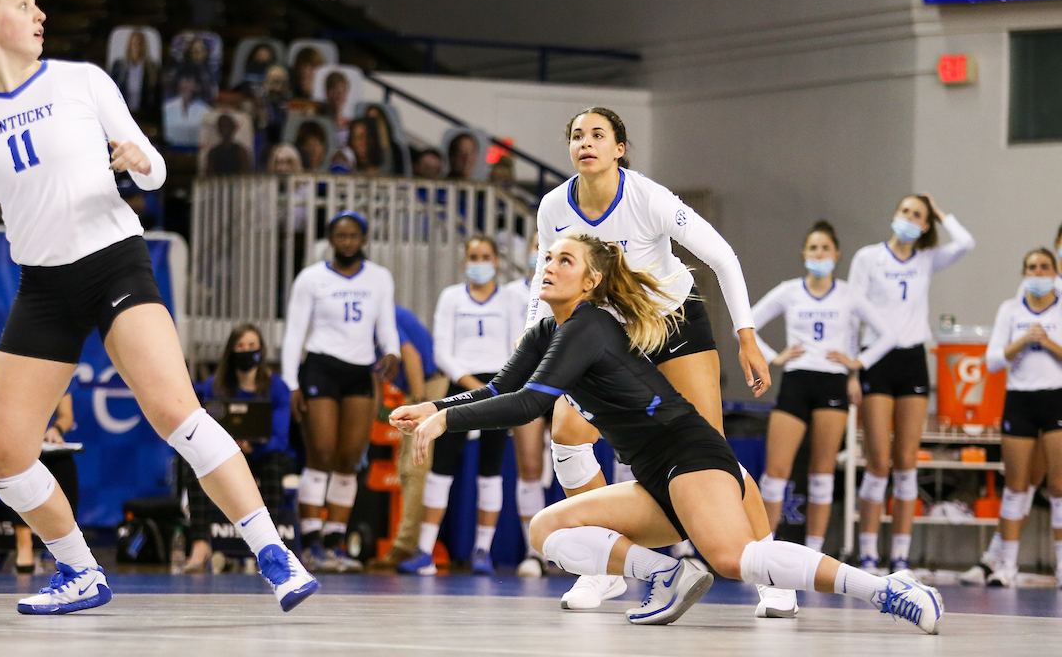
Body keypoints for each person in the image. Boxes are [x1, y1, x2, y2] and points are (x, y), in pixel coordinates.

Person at [0, 0, 318, 615]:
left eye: (38, 3)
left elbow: (155, 165)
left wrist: (142, 162)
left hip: (113, 262)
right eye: (24, 5)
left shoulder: (81, 80)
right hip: (45, 285)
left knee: (175, 411)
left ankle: (274, 553)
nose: (40, 14)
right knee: (5, 454)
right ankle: (80, 571)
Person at [392, 235, 942, 634]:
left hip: (689, 454)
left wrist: (446, 422)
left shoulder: (589, 325)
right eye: (547, 256)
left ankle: (888, 590)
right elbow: (498, 389)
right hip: (656, 476)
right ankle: (665, 574)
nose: (548, 265)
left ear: (591, 282)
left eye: (564, 259)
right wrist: (434, 406)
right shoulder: (545, 331)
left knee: (733, 559)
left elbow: (531, 403)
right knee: (548, 530)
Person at [526, 107, 786, 616]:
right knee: (568, 433)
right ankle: (602, 571)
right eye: (577, 136)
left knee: (710, 454)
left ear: (619, 148)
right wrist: (532, 347)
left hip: (672, 324)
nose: (586, 143)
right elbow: (544, 279)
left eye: (598, 134)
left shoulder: (649, 198)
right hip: (609, 337)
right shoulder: (554, 206)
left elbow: (723, 257)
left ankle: (772, 571)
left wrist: (747, 336)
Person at [750, 221, 896, 556]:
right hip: (796, 380)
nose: (819, 254)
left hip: (832, 381)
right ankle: (764, 551)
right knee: (776, 472)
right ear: (804, 253)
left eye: (825, 248)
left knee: (822, 472)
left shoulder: (848, 294)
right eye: (813, 248)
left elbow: (888, 335)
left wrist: (858, 362)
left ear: (837, 254)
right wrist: (774, 358)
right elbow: (745, 326)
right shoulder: (789, 290)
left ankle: (813, 554)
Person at [848, 194, 974, 574]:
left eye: (917, 215)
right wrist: (852, 370)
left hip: (912, 359)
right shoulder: (868, 258)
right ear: (895, 214)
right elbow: (853, 313)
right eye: (904, 210)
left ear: (925, 225)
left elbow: (966, 243)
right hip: (875, 357)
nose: (908, 217)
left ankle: (900, 555)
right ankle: (868, 554)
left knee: (906, 461)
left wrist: (940, 211)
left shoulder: (926, 258)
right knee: (878, 461)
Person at [281, 211, 401, 572]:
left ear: (363, 239)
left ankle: (334, 543)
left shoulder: (379, 277)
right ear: (331, 240)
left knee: (349, 459)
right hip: (321, 367)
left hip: (360, 370)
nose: (347, 242)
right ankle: (310, 543)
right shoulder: (311, 278)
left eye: (353, 236)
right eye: (340, 236)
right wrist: (291, 383)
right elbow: (294, 333)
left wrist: (392, 351)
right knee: (320, 452)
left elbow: (386, 324)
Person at [398, 235, 519, 576]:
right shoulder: (451, 297)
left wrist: (498, 388)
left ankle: (483, 550)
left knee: (491, 470)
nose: (479, 263)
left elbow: (518, 348)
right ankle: (425, 551)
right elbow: (441, 352)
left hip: (499, 387)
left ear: (496, 261)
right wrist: (474, 387)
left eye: (485, 256)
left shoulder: (509, 299)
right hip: (460, 387)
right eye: (473, 257)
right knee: (441, 469)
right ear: (464, 261)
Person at [962, 248, 1062, 589]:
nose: (1038, 273)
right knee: (1016, 485)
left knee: (1058, 487)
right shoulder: (1011, 309)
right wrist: (1022, 341)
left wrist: (1047, 342)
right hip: (1020, 399)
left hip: (1055, 398)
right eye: (1032, 267)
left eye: (1045, 267)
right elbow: (992, 360)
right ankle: (1006, 565)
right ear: (1023, 273)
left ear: (1055, 272)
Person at [184, 324, 296, 572]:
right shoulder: (216, 385)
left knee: (274, 467)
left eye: (252, 346)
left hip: (262, 454)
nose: (246, 351)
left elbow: (280, 437)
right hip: (226, 453)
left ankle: (269, 547)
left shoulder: (277, 387)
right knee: (196, 468)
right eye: (240, 346)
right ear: (231, 351)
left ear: (262, 350)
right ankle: (200, 545)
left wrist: (253, 448)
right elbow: (207, 427)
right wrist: (230, 447)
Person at [0, 358, 79, 574]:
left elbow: (66, 416)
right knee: (17, 467)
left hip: (40, 445)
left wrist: (56, 430)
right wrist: (8, 437)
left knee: (65, 462)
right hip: (1, 448)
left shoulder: (58, 366)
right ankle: (24, 545)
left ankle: (68, 549)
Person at [367, 304, 449, 571]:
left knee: (415, 467)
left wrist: (418, 402)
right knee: (406, 467)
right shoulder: (368, 320)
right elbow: (377, 371)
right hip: (419, 387)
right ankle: (406, 543)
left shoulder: (382, 314)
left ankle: (405, 546)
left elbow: (410, 355)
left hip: (429, 385)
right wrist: (375, 414)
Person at [504, 232, 550, 576]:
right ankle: (535, 552)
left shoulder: (579, 288)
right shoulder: (509, 295)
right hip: (529, 383)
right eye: (537, 246)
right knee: (529, 466)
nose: (543, 252)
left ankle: (598, 557)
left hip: (570, 384)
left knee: (579, 460)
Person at [109, 29, 161, 120]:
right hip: (122, 115)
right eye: (135, 44)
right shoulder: (118, 67)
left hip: (144, 116)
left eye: (140, 44)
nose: (137, 48)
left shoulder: (152, 69)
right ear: (130, 46)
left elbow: (156, 98)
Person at [162, 69, 211, 148]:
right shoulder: (167, 108)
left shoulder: (206, 111)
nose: (185, 85)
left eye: (189, 81)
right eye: (183, 81)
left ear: (198, 86)